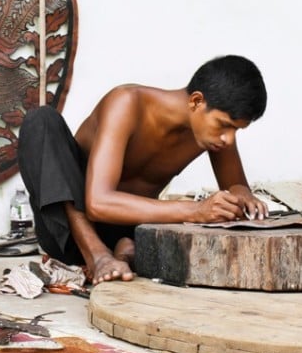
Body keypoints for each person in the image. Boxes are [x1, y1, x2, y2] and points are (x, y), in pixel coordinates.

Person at [17, 55, 268, 285]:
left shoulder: (211, 135)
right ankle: (98, 256)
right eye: (225, 125)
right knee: (41, 120)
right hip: (70, 233)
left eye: (236, 130)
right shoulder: (127, 103)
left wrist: (242, 193)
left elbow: (236, 185)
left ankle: (124, 250)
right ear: (196, 101)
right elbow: (98, 203)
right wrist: (196, 210)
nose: (229, 139)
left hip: (134, 229)